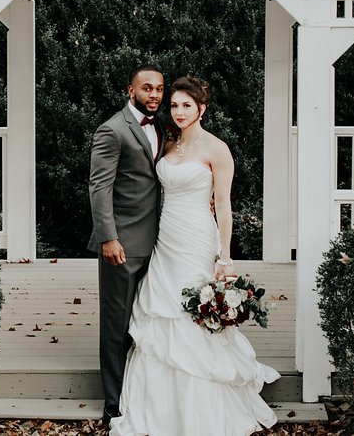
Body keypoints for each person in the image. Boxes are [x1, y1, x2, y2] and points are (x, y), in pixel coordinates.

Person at [109, 75, 279, 436]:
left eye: (187, 105)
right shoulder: (168, 143)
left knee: (190, 312)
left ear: (202, 108)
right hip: (165, 238)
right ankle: (157, 404)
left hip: (197, 237)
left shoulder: (217, 149)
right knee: (161, 308)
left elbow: (225, 206)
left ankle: (204, 402)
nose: (179, 111)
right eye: (174, 105)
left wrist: (225, 256)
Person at [88, 65, 166, 425]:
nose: (154, 95)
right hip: (122, 244)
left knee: (148, 321)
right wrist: (108, 237)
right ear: (130, 90)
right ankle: (113, 404)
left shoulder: (164, 128)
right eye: (147, 88)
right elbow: (99, 187)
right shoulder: (113, 130)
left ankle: (143, 393)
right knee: (117, 324)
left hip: (160, 244)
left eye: (159, 89)